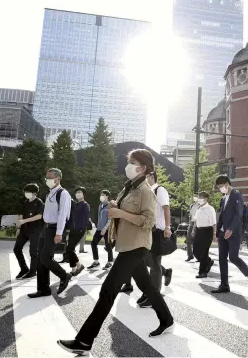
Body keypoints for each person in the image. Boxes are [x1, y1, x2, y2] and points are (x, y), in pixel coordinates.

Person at [58, 149, 174, 355]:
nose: (127, 166)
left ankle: (84, 341)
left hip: (136, 246)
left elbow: (148, 221)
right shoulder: (129, 187)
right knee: (146, 285)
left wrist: (121, 212)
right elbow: (124, 209)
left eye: (132, 162)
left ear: (144, 167)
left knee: (107, 290)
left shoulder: (146, 191)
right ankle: (167, 319)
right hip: (127, 244)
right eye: (128, 161)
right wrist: (115, 205)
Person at [28, 168, 72, 298]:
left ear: (57, 179)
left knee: (45, 257)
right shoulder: (49, 194)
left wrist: (59, 233)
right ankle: (43, 289)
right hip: (46, 228)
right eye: (46, 177)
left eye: (50, 177)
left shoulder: (63, 194)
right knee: (40, 260)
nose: (47, 180)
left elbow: (63, 214)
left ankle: (64, 275)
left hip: (55, 229)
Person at [212, 175, 248, 294]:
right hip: (222, 233)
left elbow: (238, 214)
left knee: (233, 257)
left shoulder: (236, 195)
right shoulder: (224, 198)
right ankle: (224, 284)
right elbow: (221, 215)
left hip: (234, 232)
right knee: (222, 258)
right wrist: (217, 232)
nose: (220, 189)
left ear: (227, 184)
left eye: (221, 186)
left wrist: (230, 229)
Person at [136, 170, 174, 307]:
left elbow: (166, 208)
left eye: (146, 177)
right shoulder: (146, 191)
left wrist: (167, 227)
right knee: (146, 260)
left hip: (157, 231)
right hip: (146, 230)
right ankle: (151, 289)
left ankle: (154, 297)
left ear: (152, 177)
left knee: (154, 263)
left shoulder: (160, 190)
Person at [14, 183, 44, 280]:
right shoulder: (25, 202)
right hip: (24, 229)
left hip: (35, 230)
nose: (26, 193)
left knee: (33, 252)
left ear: (34, 193)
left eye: (28, 192)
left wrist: (24, 221)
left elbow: (39, 216)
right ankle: (24, 269)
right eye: (25, 192)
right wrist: (19, 227)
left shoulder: (39, 203)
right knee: (17, 249)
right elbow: (21, 215)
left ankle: (32, 272)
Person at [64, 186, 89, 276]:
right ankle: (74, 269)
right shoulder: (76, 204)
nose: (78, 194)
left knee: (69, 249)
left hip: (79, 230)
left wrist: (82, 228)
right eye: (77, 192)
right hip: (73, 229)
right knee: (69, 249)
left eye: (80, 192)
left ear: (83, 194)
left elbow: (86, 219)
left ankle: (79, 266)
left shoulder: (85, 205)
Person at [193, 191, 216, 278]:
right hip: (198, 230)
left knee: (204, 252)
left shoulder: (210, 209)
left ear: (206, 199)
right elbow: (196, 220)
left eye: (200, 197)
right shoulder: (199, 208)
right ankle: (208, 261)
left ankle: (202, 272)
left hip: (207, 231)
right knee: (195, 251)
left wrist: (214, 234)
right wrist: (194, 230)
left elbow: (214, 223)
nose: (199, 199)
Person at [88, 190, 114, 270]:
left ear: (107, 196)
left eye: (103, 195)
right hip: (99, 228)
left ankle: (110, 262)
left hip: (107, 229)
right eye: (101, 195)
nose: (101, 196)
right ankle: (96, 262)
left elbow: (110, 218)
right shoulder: (100, 205)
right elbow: (100, 218)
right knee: (93, 243)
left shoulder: (110, 205)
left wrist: (105, 228)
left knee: (108, 245)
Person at [186, 196, 199, 262]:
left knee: (197, 241)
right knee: (188, 239)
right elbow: (191, 215)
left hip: (198, 223)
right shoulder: (192, 205)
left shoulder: (201, 205)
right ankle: (190, 255)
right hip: (191, 222)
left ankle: (199, 256)